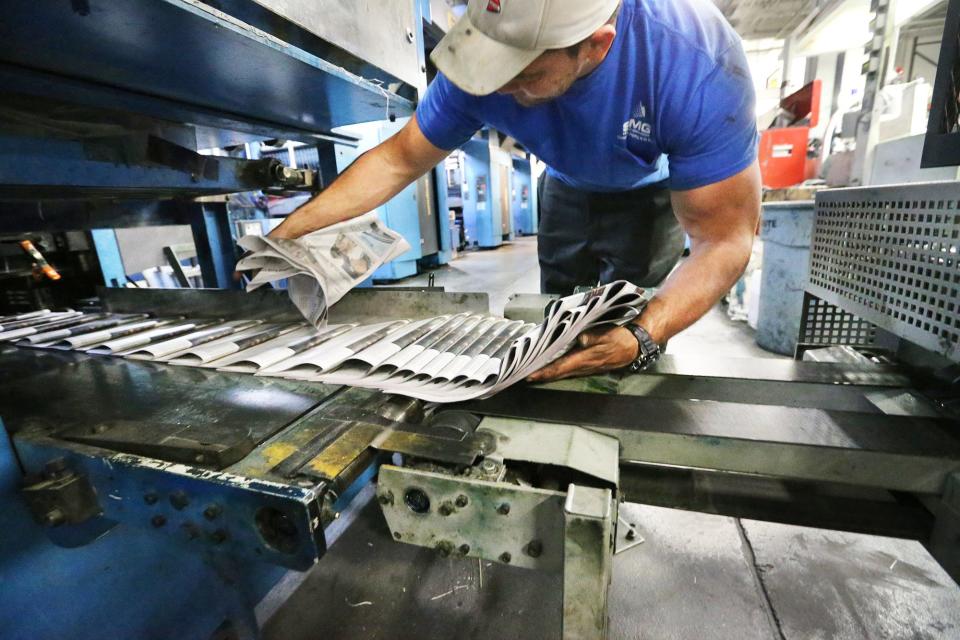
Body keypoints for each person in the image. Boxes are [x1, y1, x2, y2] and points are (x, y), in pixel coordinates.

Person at [270, 0, 761, 382]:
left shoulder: (698, 66)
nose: (499, 89)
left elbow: (723, 240)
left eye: (524, 75)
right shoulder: (484, 69)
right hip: (565, 186)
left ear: (597, 44)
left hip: (650, 197)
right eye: (492, 70)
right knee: (557, 323)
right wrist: (293, 230)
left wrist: (643, 336)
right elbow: (398, 160)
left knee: (622, 331)